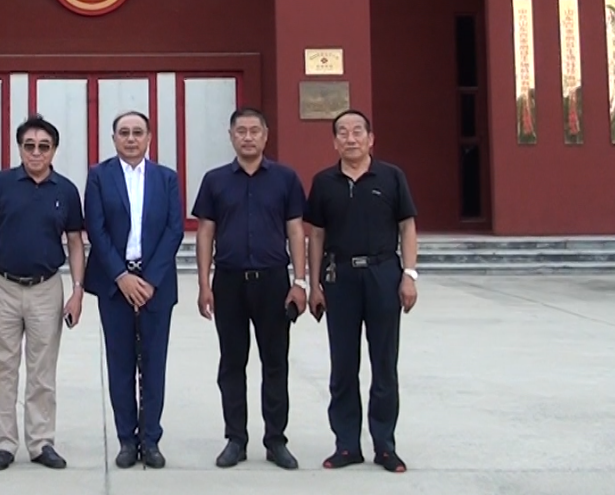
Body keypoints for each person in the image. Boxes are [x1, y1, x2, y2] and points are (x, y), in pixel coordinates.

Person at [0, 114, 87, 472]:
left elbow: (75, 242)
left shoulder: (66, 190)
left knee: (42, 370)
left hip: (47, 288)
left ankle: (41, 442)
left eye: (44, 146)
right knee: (0, 368)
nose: (36, 152)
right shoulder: (1, 184)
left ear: (54, 150)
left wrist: (77, 291)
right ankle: (3, 443)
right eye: (29, 145)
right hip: (3, 286)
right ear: (19, 148)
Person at [191, 106, 309, 471]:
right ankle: (236, 439)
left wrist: (300, 281)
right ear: (231, 136)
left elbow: (295, 230)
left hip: (273, 281)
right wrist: (204, 283)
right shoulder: (215, 180)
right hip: (228, 282)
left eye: (254, 131)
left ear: (265, 136)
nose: (247, 137)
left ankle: (276, 440)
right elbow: (205, 233)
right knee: (232, 363)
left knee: (275, 363)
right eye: (240, 131)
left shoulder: (285, 178)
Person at [304, 109, 419, 473]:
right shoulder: (324, 182)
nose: (350, 138)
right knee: (343, 365)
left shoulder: (391, 177)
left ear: (371, 139)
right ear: (334, 141)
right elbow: (316, 235)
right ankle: (346, 445)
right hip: (340, 278)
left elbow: (407, 227)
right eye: (343, 132)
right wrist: (314, 284)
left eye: (357, 132)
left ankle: (384, 445)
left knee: (384, 364)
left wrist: (409, 275)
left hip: (383, 273)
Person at [83, 111, 185, 469]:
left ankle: (151, 439)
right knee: (121, 363)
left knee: (154, 364)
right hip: (115, 284)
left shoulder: (166, 178)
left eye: (137, 132)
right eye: (123, 133)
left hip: (157, 283)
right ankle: (127, 439)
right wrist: (121, 276)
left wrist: (150, 279)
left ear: (149, 138)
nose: (131, 138)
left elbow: (174, 229)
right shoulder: (99, 176)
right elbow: (96, 229)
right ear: (113, 138)